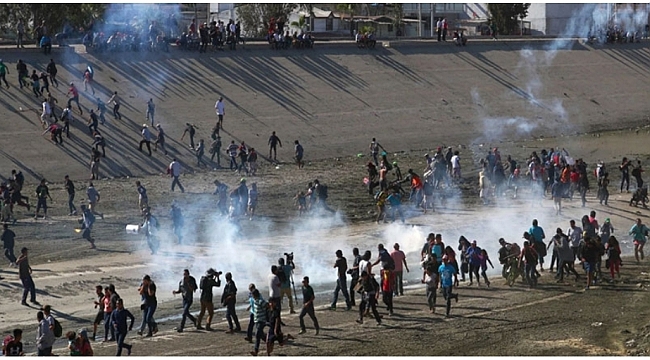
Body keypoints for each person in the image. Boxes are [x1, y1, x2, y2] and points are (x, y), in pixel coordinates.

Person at [249, 289, 268, 357]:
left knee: (257, 334)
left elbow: (267, 306)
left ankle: (256, 351)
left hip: (261, 320)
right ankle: (269, 341)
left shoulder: (260, 301)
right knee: (261, 335)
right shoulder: (255, 301)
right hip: (257, 320)